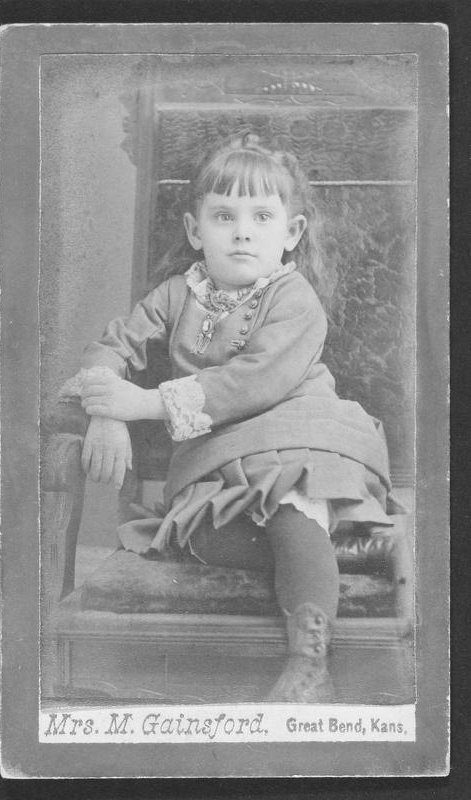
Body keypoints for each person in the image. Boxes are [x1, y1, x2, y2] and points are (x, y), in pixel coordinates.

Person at [61, 133, 398, 702]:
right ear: (196, 231)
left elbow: (253, 381)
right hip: (220, 453)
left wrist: (141, 403)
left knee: (289, 512)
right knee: (205, 537)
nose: (243, 231)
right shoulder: (177, 294)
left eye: (262, 216)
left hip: (297, 433)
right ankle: (346, 549)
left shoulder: (294, 298)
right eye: (224, 216)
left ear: (291, 233)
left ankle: (310, 665)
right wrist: (106, 414)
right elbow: (113, 346)